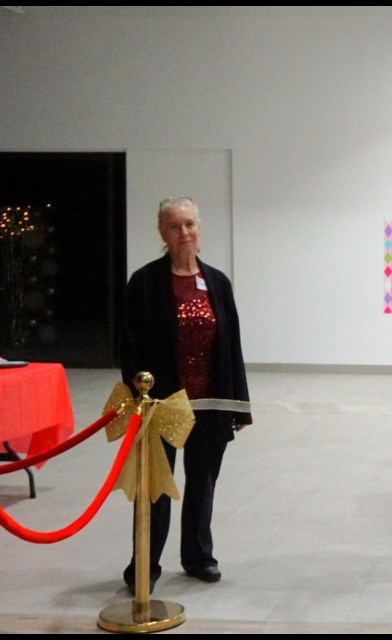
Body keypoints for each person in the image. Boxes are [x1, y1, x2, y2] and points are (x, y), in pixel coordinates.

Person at [120, 196, 252, 594]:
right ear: (162, 232)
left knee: (202, 483)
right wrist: (138, 399)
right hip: (163, 404)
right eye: (175, 226)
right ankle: (144, 564)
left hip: (210, 404)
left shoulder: (216, 281)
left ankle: (198, 557)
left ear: (199, 228)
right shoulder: (144, 282)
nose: (184, 233)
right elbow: (128, 347)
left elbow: (232, 345)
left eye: (190, 224)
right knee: (156, 489)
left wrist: (239, 405)